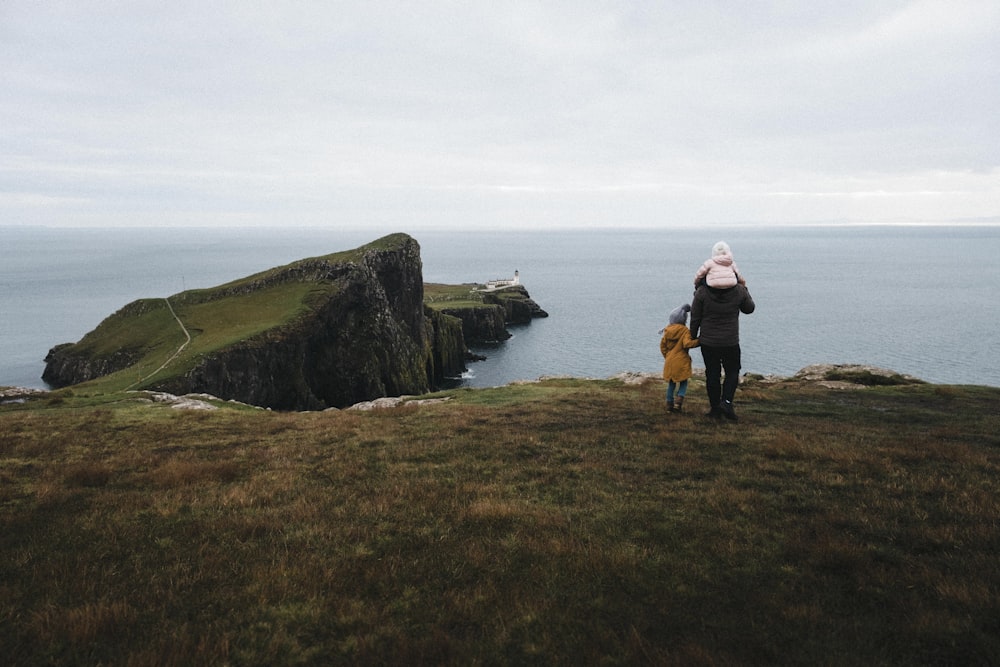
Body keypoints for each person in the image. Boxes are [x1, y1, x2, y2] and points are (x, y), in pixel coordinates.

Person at [690, 271, 755, 421]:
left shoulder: (702, 292)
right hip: (730, 341)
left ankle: (715, 409)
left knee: (712, 374)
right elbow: (749, 308)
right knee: (732, 372)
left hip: (708, 342)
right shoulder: (738, 290)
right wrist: (745, 287)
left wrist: (692, 337)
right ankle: (726, 402)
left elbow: (695, 317)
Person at [659, 303, 699, 413]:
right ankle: (678, 403)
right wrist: (699, 341)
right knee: (683, 382)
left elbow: (662, 346)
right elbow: (687, 344)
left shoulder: (667, 330)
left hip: (669, 361)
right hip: (681, 361)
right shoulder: (684, 330)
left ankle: (669, 405)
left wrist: (667, 356)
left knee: (671, 384)